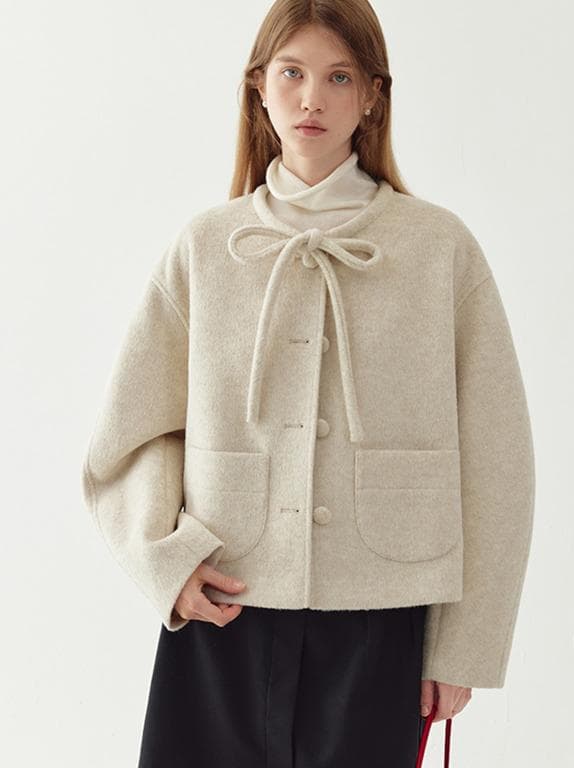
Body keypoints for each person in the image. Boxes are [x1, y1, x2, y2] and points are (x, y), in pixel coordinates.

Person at [80, 1, 535, 766]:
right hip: (222, 609)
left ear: (373, 95)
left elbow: (498, 457)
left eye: (339, 77)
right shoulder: (208, 247)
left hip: (383, 622)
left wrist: (466, 644)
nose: (312, 98)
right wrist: (166, 558)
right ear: (259, 87)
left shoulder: (438, 249)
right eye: (291, 73)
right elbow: (133, 435)